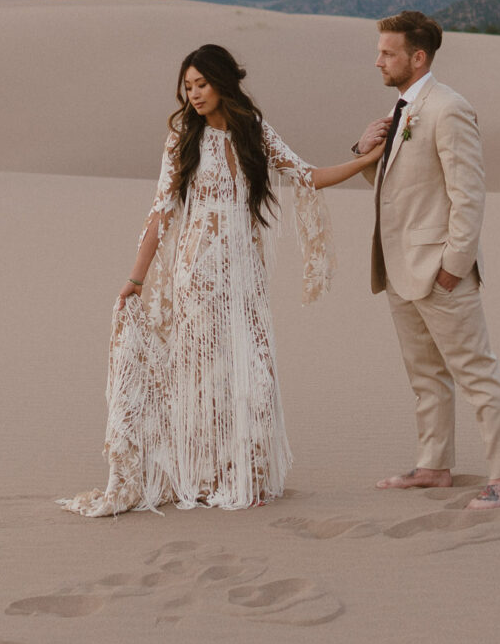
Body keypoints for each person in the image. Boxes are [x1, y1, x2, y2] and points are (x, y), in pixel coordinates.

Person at [62, 44, 381, 517]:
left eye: (201, 84)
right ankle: (204, 473)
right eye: (187, 87)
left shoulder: (254, 132)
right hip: (198, 274)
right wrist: (136, 277)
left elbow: (306, 175)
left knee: (252, 368)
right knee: (203, 374)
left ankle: (244, 473)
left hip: (245, 276)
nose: (193, 95)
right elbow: (161, 213)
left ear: (223, 82)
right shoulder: (181, 140)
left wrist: (364, 161)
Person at [349, 10, 500, 510]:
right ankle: (434, 466)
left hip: (439, 272)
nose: (378, 61)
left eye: (388, 53)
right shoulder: (403, 109)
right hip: (399, 267)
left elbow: (468, 195)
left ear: (417, 56)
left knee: (476, 372)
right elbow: (395, 189)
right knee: (425, 375)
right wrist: (364, 151)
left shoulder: (448, 109)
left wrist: (454, 265)